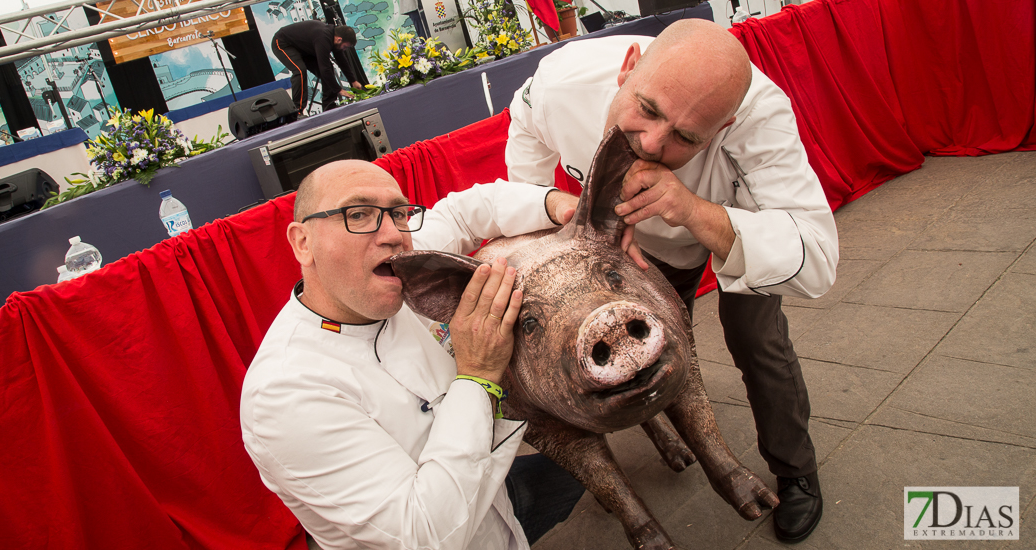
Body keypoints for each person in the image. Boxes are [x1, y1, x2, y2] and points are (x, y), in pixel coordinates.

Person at [504, 19, 838, 543]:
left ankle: (796, 471)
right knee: (659, 350)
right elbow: (522, 156)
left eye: (685, 138)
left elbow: (817, 261)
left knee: (757, 340)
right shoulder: (559, 83)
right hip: (633, 249)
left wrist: (692, 210)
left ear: (724, 127)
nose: (653, 142)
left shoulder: (761, 117)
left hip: (735, 225)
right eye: (648, 110)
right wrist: (565, 230)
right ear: (628, 67)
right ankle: (665, 428)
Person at [240, 160, 585, 549]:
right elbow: (422, 534)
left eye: (400, 214)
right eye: (358, 214)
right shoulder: (283, 395)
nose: (393, 235)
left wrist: (561, 206)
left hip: (493, 502)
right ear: (303, 242)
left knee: (579, 470)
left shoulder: (390, 271)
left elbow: (463, 212)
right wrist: (477, 375)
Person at [271, 21, 363, 113]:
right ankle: (297, 111)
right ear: (339, 39)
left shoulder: (334, 38)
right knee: (300, 70)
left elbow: (342, 61)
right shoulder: (323, 38)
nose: (344, 49)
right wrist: (339, 90)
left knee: (329, 70)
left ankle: (329, 106)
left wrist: (353, 81)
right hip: (283, 43)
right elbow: (324, 68)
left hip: (303, 49)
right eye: (345, 47)